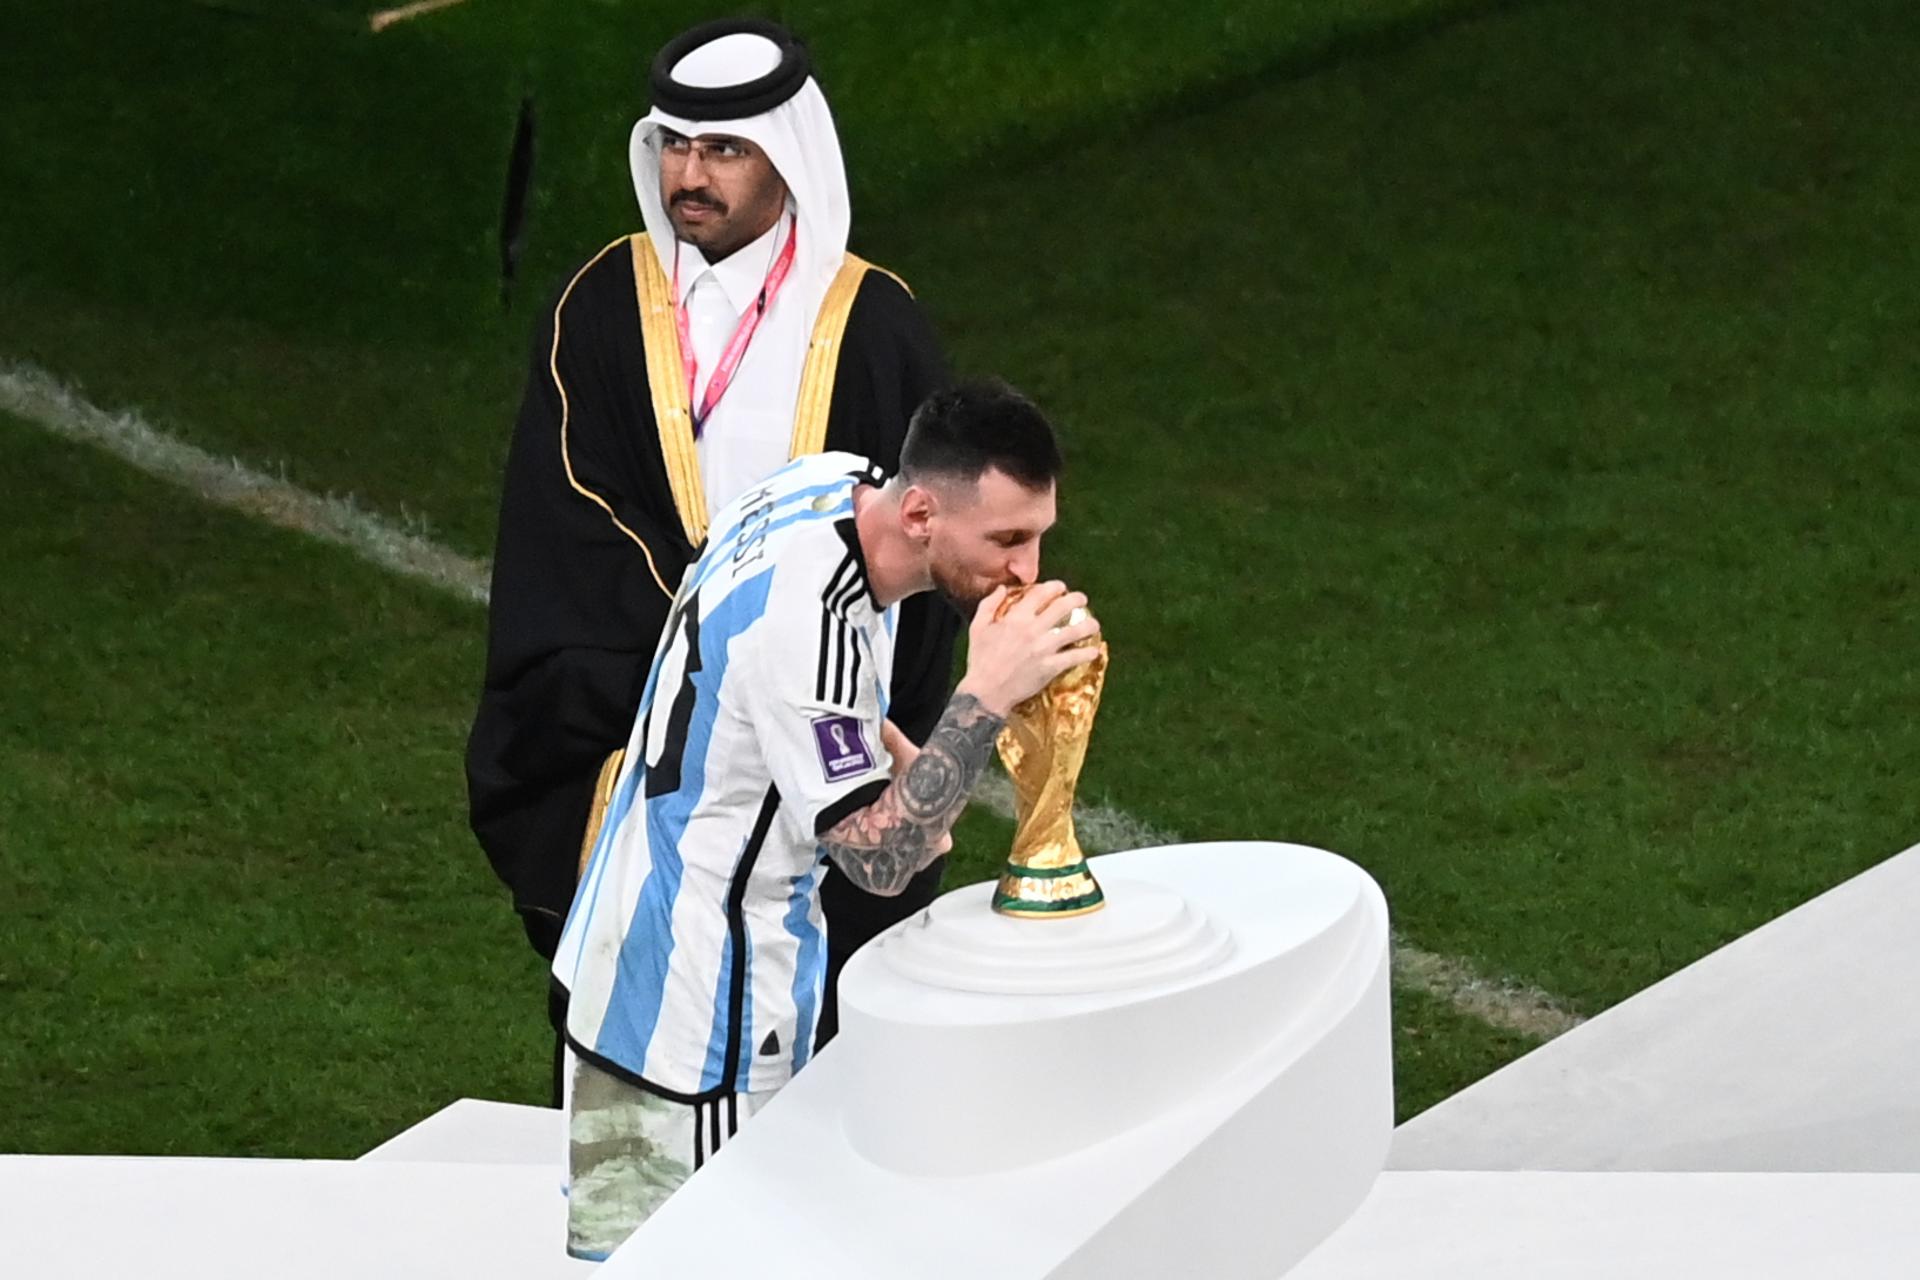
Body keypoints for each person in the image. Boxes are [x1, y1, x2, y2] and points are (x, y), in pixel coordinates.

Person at [465, 17, 957, 1083]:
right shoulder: (600, 306)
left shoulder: (872, 324)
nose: (693, 174)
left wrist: (814, 679)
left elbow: (923, 550)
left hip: (818, 718)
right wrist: (708, 655)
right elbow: (568, 517)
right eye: (677, 146)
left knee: (823, 1076)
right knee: (643, 1067)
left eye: (725, 150)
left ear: (785, 156)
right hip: (648, 733)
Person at [552, 381, 1098, 1259]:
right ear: (921, 512)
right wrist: (983, 696)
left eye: (1037, 536)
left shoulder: (824, 485)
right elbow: (880, 864)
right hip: (700, 1022)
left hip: (633, 944)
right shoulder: (809, 627)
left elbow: (795, 697)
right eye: (1007, 540)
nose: (1027, 569)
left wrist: (903, 763)